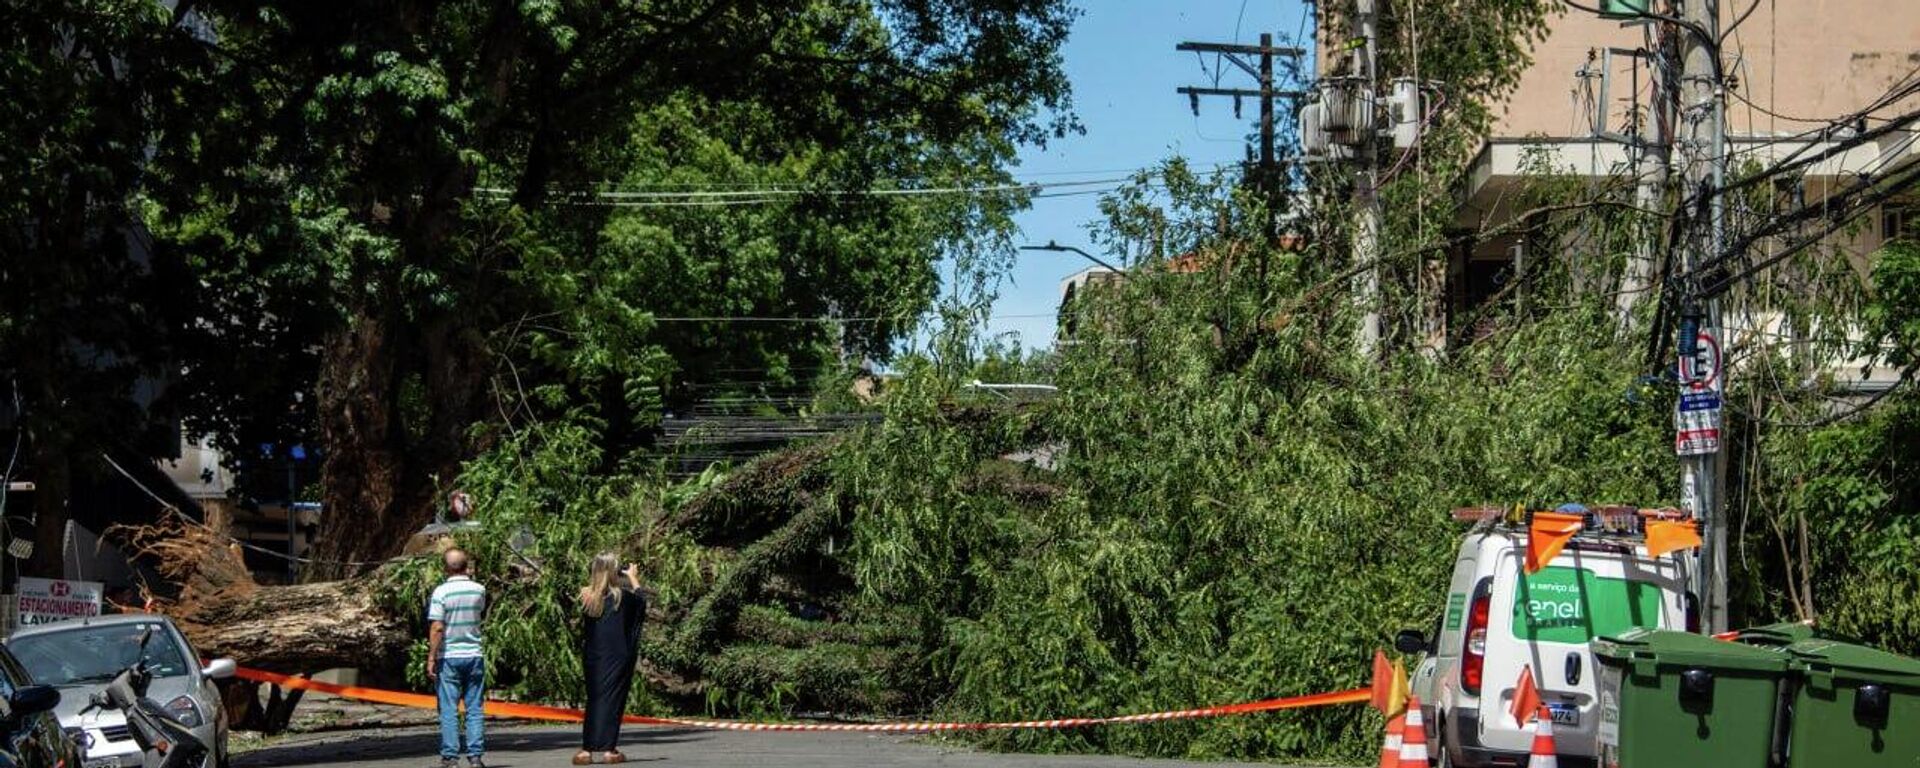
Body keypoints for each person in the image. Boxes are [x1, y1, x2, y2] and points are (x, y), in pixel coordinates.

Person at [574, 553, 645, 765]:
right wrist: (633, 577)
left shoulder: (586, 596)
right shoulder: (621, 597)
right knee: (613, 701)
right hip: (617, 655)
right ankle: (608, 749)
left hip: (594, 655)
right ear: (614, 572)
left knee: (595, 699)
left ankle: (587, 749)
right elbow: (641, 602)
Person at [428, 548, 489, 768]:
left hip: (449, 656)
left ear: (445, 568)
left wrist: (431, 657)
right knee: (474, 707)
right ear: (466, 566)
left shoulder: (440, 593)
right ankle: (475, 756)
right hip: (473, 654)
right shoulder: (479, 590)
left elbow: (437, 627)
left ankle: (450, 757)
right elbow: (478, 613)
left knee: (449, 708)